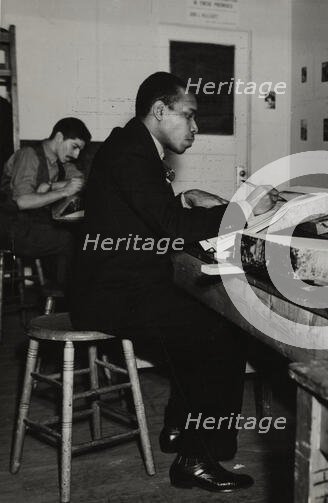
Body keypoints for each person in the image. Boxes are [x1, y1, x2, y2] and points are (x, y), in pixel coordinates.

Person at [70, 72, 278, 493]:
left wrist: (185, 199)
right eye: (189, 116)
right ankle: (198, 458)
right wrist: (243, 209)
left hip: (116, 285)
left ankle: (179, 431)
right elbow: (169, 226)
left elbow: (146, 212)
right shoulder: (131, 153)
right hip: (112, 295)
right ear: (159, 111)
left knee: (207, 316)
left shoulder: (131, 146)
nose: (196, 128)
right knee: (222, 329)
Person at [0, 117, 90, 287]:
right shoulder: (28, 155)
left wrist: (50, 186)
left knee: (82, 235)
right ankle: (65, 299)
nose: (77, 154)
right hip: (11, 228)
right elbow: (23, 201)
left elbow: (81, 180)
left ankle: (62, 294)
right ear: (59, 137)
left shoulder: (61, 162)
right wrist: (64, 190)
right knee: (67, 240)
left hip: (34, 226)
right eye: (75, 146)